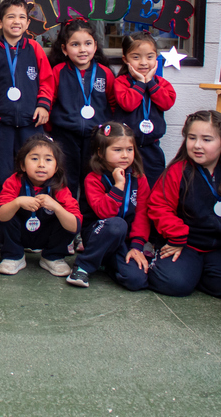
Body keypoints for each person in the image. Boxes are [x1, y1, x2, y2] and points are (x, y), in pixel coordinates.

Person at [147, 110, 221, 298]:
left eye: (207, 139)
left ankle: (195, 273)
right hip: (184, 244)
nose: (197, 145)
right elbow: (159, 206)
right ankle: (184, 270)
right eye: (192, 138)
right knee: (174, 283)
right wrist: (177, 236)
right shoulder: (177, 171)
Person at [0, 0, 54, 194]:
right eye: (11, 17)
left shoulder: (35, 49)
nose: (17, 21)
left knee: (33, 170)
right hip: (1, 123)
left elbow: (47, 80)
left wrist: (43, 105)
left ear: (28, 23)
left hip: (31, 122)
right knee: (0, 172)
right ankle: (0, 210)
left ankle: (34, 209)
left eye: (22, 17)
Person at [68, 122, 150, 290]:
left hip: (123, 240)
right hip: (98, 234)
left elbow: (142, 213)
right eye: (117, 150)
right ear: (101, 152)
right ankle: (82, 266)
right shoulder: (93, 178)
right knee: (117, 225)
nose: (125, 155)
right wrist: (118, 186)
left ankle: (107, 261)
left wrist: (137, 246)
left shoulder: (139, 178)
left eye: (129, 149)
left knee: (136, 280)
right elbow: (105, 212)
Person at [47, 18, 117, 199]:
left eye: (87, 43)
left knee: (92, 180)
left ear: (95, 46)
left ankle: (88, 217)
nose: (82, 49)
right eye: (75, 45)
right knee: (66, 180)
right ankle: (66, 216)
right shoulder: (58, 71)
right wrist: (52, 131)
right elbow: (49, 102)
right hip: (65, 136)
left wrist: (108, 132)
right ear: (64, 49)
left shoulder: (105, 73)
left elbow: (112, 104)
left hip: (96, 137)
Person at [0, 134, 81, 276]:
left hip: (45, 235)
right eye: (34, 158)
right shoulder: (14, 182)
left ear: (56, 167)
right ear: (22, 165)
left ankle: (52, 257)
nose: (41, 164)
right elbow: (0, 217)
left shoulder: (60, 187)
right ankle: (14, 256)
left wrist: (56, 207)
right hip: (21, 233)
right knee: (6, 211)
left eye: (48, 159)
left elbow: (75, 226)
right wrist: (17, 202)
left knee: (66, 216)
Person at [114, 32, 176, 186]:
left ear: (156, 58)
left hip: (152, 147)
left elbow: (167, 103)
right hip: (126, 147)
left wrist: (151, 83)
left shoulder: (161, 83)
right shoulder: (121, 82)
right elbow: (128, 104)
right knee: (128, 186)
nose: (143, 63)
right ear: (125, 59)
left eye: (149, 57)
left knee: (155, 186)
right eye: (136, 57)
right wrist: (141, 83)